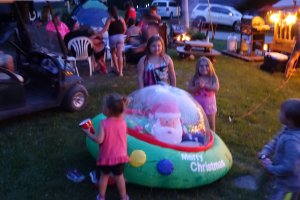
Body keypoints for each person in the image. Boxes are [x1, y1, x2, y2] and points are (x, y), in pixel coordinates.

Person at [83, 93, 129, 200]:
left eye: (103, 106)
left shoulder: (103, 124)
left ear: (108, 110)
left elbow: (99, 140)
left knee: (104, 176)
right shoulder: (123, 121)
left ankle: (101, 196)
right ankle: (124, 197)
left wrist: (88, 133)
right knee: (119, 177)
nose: (102, 108)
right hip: (120, 157)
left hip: (106, 157)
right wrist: (124, 105)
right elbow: (122, 112)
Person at [258, 98, 300, 200]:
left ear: (289, 120)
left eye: (281, 112)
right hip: (282, 178)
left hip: (289, 184)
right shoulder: (287, 128)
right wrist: (265, 151)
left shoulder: (292, 141)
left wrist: (271, 168)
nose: (279, 113)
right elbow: (275, 140)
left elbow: (289, 167)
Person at [188, 56, 219, 132]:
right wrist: (198, 87)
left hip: (210, 106)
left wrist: (205, 85)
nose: (204, 68)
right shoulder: (195, 78)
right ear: (197, 68)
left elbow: (216, 88)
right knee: (197, 122)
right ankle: (198, 136)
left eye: (207, 66)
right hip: (197, 105)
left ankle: (212, 137)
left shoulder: (213, 77)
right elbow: (190, 89)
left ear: (210, 67)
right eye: (201, 66)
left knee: (211, 123)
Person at [98, 6, 127, 76]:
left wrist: (98, 34)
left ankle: (116, 69)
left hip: (112, 38)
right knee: (120, 55)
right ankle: (121, 72)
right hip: (120, 37)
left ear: (109, 12)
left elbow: (105, 29)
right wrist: (121, 34)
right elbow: (125, 29)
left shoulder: (109, 19)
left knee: (113, 53)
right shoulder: (121, 19)